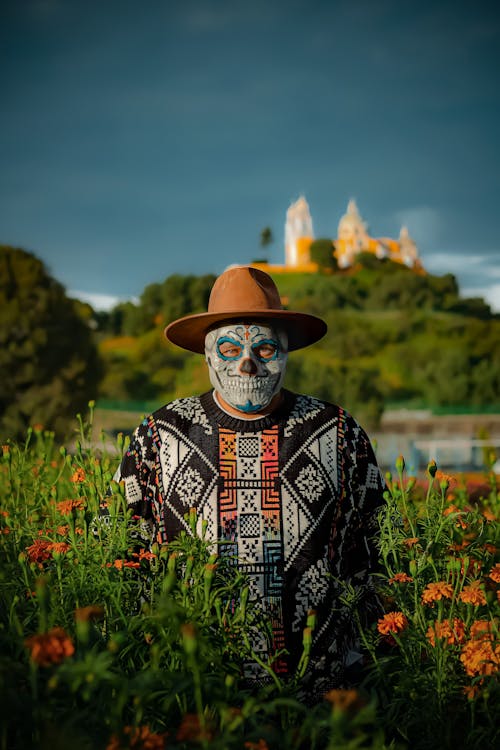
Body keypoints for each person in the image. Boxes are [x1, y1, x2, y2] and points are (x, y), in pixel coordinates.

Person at [112, 265, 385, 700]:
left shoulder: (338, 430)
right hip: (194, 687)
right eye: (228, 348)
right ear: (206, 355)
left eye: (264, 347)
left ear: (287, 352)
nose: (247, 363)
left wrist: (373, 667)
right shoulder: (158, 433)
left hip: (319, 692)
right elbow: (123, 551)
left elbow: (374, 552)